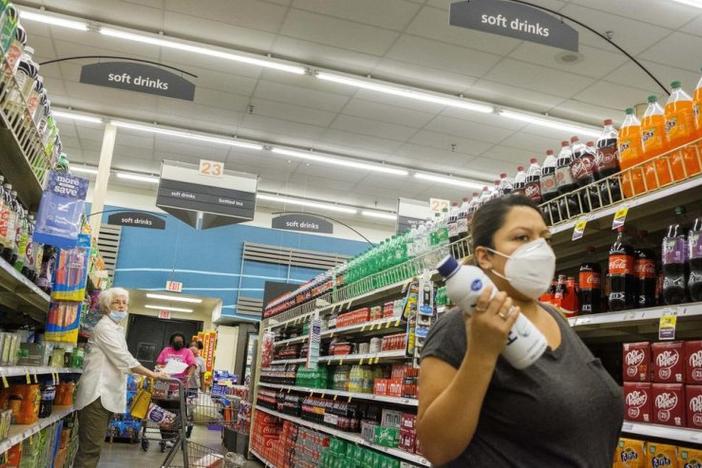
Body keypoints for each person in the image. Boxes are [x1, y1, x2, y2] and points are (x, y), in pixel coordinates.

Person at [417, 195, 624, 467]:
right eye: (522, 238)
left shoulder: (553, 316)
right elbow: (436, 447)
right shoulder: (460, 325)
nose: (539, 248)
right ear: (485, 257)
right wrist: (482, 352)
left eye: (545, 238)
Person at [74, 287, 168, 468]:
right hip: (96, 395)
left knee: (93, 448)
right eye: (116, 302)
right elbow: (123, 358)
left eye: (124, 302)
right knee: (90, 449)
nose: (121, 306)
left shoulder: (115, 329)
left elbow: (124, 360)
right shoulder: (103, 328)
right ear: (106, 305)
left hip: (105, 396)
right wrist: (152, 374)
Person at [155, 333, 197, 446]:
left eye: (180, 341)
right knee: (163, 411)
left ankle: (173, 436)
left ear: (183, 343)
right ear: (172, 341)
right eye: (176, 341)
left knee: (176, 411)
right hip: (163, 385)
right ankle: (165, 437)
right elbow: (159, 363)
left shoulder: (187, 352)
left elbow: (193, 365)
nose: (178, 343)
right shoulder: (166, 350)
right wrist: (161, 369)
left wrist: (189, 375)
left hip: (179, 386)